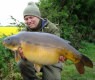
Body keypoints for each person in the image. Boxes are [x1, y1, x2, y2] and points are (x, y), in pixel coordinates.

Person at [16, 2, 66, 80]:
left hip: (50, 59)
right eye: (26, 19)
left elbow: (58, 46)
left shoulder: (51, 28)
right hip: (34, 59)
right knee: (22, 63)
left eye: (31, 17)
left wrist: (61, 55)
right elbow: (19, 50)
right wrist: (23, 55)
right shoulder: (24, 32)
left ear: (38, 16)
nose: (29, 21)